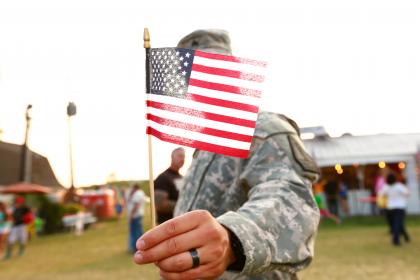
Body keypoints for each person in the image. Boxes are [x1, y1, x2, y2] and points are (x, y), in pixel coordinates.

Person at [134, 29, 320, 279]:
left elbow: (289, 197)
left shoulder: (264, 129)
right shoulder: (202, 149)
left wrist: (232, 237)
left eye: (213, 71)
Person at [154, 147, 185, 224]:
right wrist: (184, 205)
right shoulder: (163, 177)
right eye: (180, 156)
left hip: (181, 223)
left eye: (184, 157)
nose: (182, 159)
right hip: (166, 225)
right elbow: (160, 204)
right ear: (172, 157)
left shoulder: (182, 178)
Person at [379, 172, 410, 246]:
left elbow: (381, 194)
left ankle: (406, 237)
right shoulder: (399, 186)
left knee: (396, 223)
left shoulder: (386, 187)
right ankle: (396, 239)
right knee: (397, 223)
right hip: (400, 207)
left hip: (390, 208)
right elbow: (407, 193)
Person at [126, 184, 146, 253]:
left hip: (135, 216)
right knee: (139, 231)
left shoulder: (137, 194)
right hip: (138, 215)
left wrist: (131, 215)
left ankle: (136, 248)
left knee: (135, 232)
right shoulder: (141, 193)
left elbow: (136, 205)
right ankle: (141, 246)